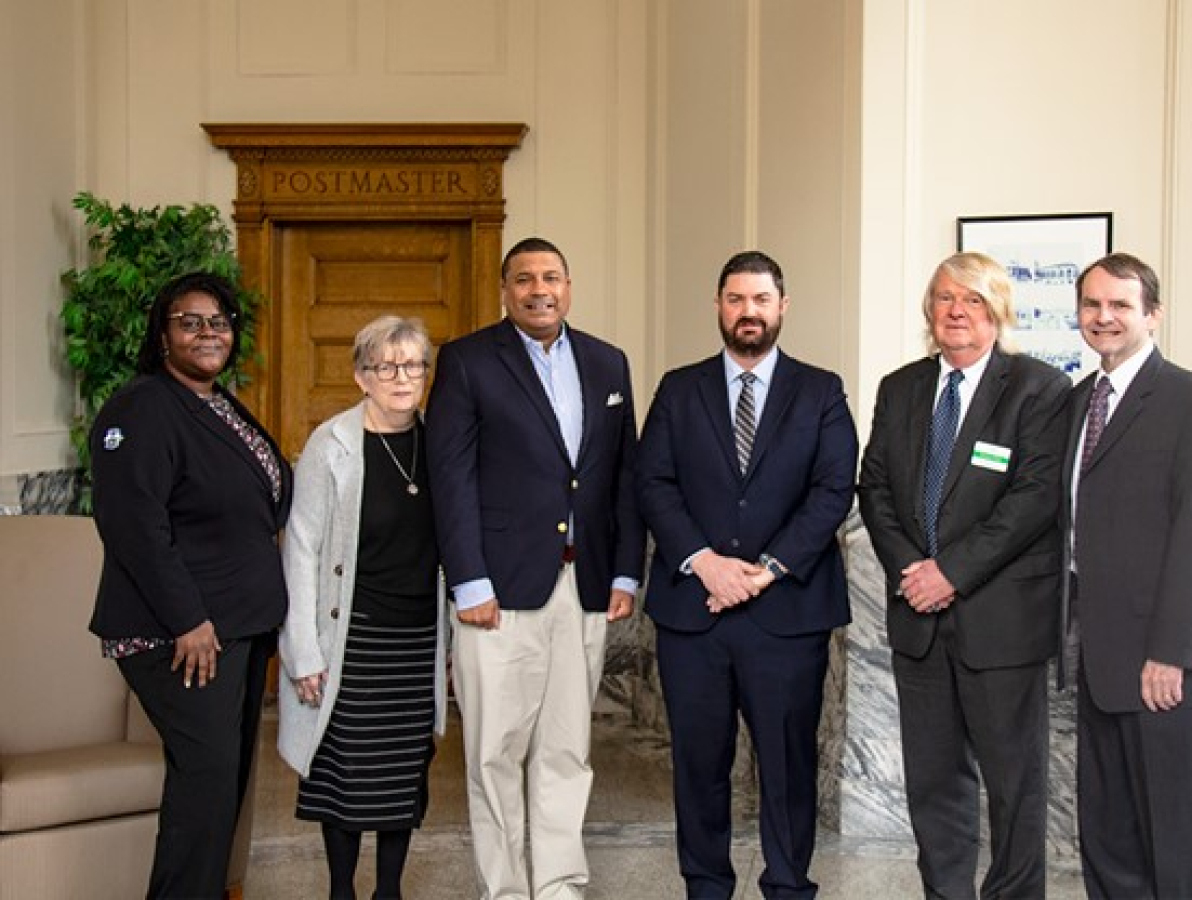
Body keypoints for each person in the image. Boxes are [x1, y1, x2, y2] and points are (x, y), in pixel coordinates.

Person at [425, 236, 645, 900]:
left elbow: (623, 478)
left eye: (551, 276)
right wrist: (469, 581)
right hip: (498, 591)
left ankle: (557, 885)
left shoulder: (609, 363)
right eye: (524, 279)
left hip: (583, 588)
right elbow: (451, 477)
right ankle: (505, 889)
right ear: (505, 290)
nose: (539, 289)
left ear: (569, 286)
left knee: (566, 751)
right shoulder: (466, 362)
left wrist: (626, 573)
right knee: (494, 752)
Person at [637, 250, 858, 900]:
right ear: (718, 306)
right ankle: (706, 887)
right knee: (698, 767)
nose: (749, 312)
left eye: (761, 299)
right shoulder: (680, 388)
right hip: (693, 614)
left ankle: (789, 887)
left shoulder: (821, 390)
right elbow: (653, 481)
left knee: (787, 768)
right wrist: (704, 562)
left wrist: (764, 571)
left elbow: (833, 489)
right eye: (736, 299)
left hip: (787, 615)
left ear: (782, 307)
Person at [857, 252, 1070, 899]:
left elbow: (1033, 501)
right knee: (934, 781)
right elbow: (876, 490)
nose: (956, 311)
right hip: (919, 624)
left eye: (973, 300)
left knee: (1013, 785)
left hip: (1000, 625)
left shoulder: (1038, 389)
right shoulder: (901, 387)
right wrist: (911, 571)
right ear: (929, 310)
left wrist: (950, 572)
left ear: (997, 311)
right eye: (946, 298)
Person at [88, 271, 291, 899]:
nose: (208, 333)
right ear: (162, 332)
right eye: (190, 321)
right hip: (185, 633)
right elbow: (134, 526)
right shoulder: (143, 405)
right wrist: (187, 620)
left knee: (218, 787)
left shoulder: (217, 403)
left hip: (236, 628)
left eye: (220, 321)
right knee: (204, 785)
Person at [1065, 253, 1192, 899]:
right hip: (1099, 659)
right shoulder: (1080, 400)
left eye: (1120, 305)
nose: (1104, 317)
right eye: (1092, 305)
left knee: (1177, 842)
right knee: (1110, 839)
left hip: (1167, 668)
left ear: (1153, 316)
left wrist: (1169, 654)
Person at [277, 316, 446, 900]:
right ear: (361, 375)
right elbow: (300, 548)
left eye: (413, 365)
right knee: (344, 776)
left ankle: (390, 891)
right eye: (386, 366)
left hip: (417, 636)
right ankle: (342, 890)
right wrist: (303, 651)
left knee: (404, 775)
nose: (402, 377)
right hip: (351, 636)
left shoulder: (439, 439)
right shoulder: (333, 442)